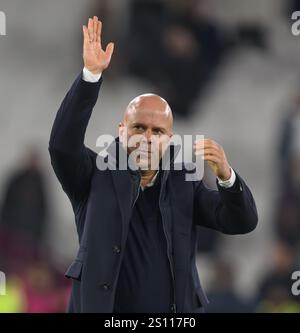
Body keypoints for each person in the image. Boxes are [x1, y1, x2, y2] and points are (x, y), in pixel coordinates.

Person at [48, 17, 258, 313]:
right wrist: (90, 76)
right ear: (122, 130)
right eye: (139, 128)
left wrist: (227, 179)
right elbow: (61, 146)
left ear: (169, 139)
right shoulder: (93, 174)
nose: (147, 137)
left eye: (157, 131)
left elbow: (242, 222)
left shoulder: (186, 183)